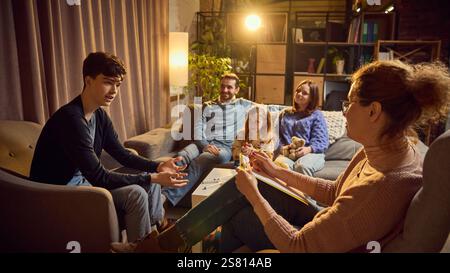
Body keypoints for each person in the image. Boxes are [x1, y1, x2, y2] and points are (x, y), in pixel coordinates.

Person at [111, 60, 449, 253]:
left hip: (316, 245)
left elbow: (299, 246)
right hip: (325, 219)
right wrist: (275, 170)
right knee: (244, 188)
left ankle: (175, 248)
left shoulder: (379, 191)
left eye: (348, 103)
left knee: (241, 211)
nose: (343, 112)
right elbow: (333, 194)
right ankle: (174, 245)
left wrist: (255, 195)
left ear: (374, 111)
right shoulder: (382, 149)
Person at [30, 52, 188, 242]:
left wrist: (157, 167)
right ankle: (144, 246)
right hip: (59, 192)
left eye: (118, 84)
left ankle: (155, 235)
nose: (114, 90)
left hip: (84, 184)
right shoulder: (71, 119)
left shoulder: (99, 115)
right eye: (108, 82)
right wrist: (152, 176)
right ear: (88, 81)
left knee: (150, 183)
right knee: (137, 192)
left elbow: (122, 154)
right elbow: (99, 177)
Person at [162, 73, 255, 207]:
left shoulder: (244, 105)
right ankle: (157, 192)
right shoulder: (207, 105)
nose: (225, 90)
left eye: (229, 87)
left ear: (237, 90)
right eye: (223, 86)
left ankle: (164, 199)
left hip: (224, 148)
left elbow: (268, 108)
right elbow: (198, 129)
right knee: (181, 157)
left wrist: (291, 111)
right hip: (201, 143)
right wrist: (204, 145)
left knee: (200, 161)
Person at [274, 80, 329, 176]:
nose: (299, 94)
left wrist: (308, 149)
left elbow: (322, 141)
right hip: (288, 154)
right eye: (298, 91)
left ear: (312, 98)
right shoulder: (285, 114)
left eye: (304, 93)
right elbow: (275, 136)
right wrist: (282, 148)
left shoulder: (316, 115)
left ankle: (304, 191)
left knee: (302, 166)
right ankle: (283, 192)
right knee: (280, 165)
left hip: (311, 154)